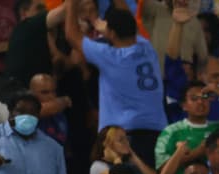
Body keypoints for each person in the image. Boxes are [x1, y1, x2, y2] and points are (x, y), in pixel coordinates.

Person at [65, 3, 166, 163]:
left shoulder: (111, 57)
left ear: (110, 33)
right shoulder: (147, 47)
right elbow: (128, 20)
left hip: (125, 135)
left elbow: (71, 34)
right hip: (159, 131)